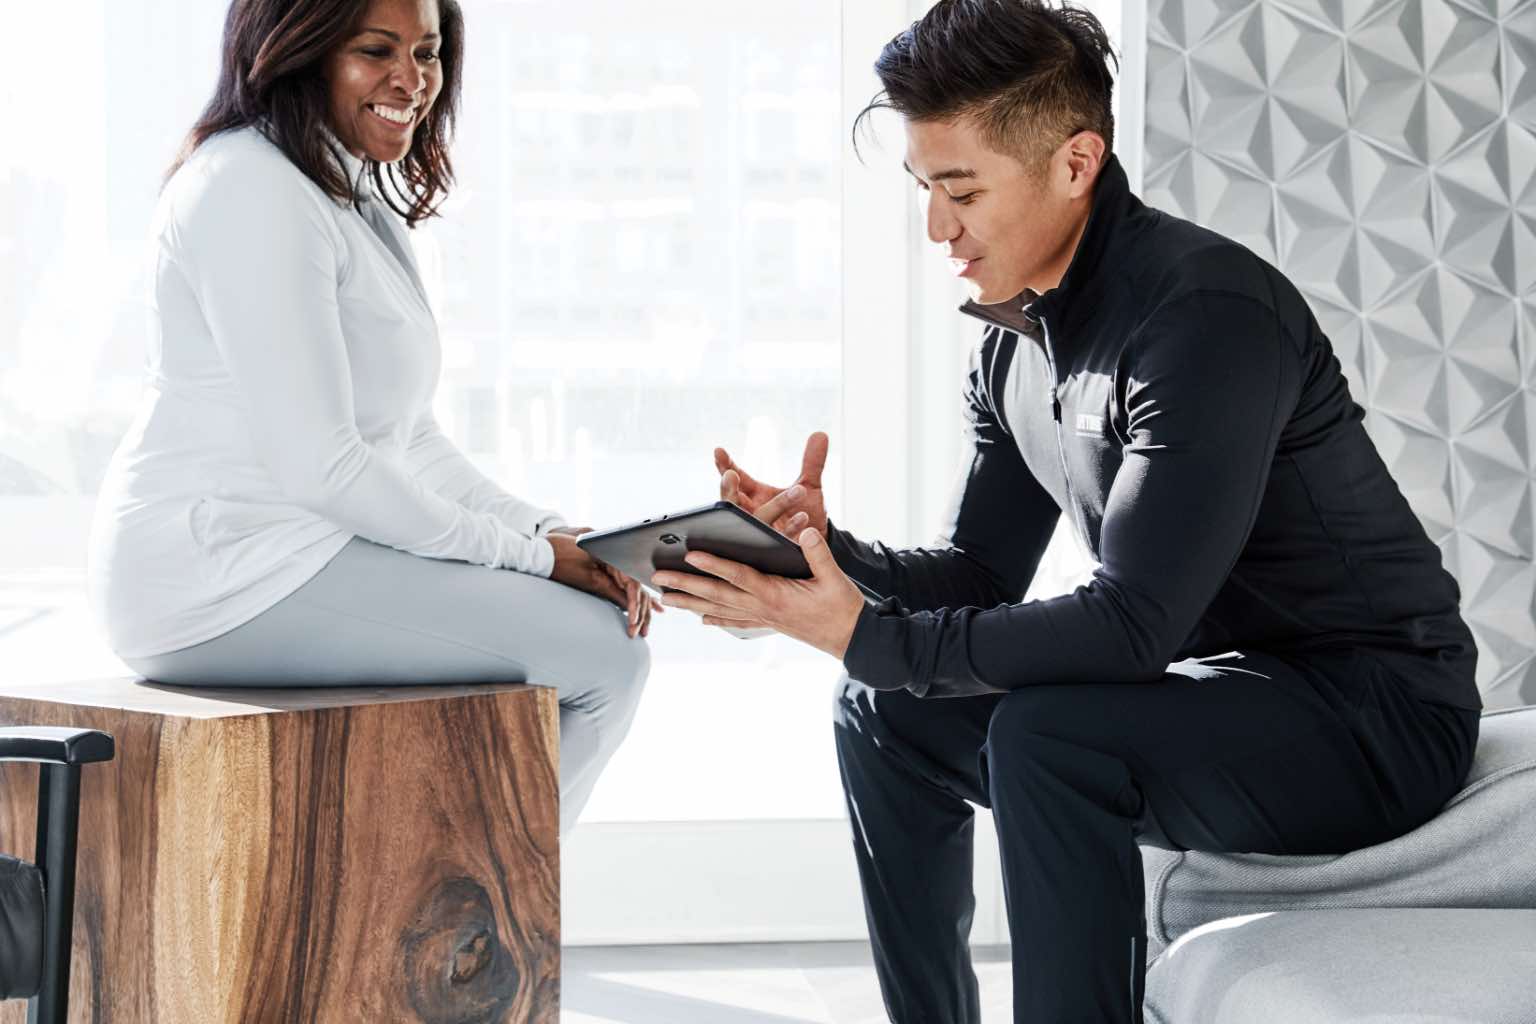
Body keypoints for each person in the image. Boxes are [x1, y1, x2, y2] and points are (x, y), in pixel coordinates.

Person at [652, 1, 1483, 1019]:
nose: (936, 226)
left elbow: (1133, 626)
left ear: (1076, 161)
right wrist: (831, 555)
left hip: (1377, 719)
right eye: (925, 188)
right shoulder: (1015, 344)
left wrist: (870, 635)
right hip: (1232, 691)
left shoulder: (1205, 317)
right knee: (883, 709)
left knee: (1049, 735)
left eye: (961, 190)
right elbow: (976, 576)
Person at [86, 0, 655, 837]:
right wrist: (535, 559)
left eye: (427, 52)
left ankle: (454, 913)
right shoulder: (250, 187)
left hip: (300, 550)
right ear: (300, 51)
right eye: (376, 50)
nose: (412, 80)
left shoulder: (348, 193)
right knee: (604, 655)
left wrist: (552, 531)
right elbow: (324, 465)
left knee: (604, 635)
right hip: (216, 575)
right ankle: (473, 930)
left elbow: (409, 438)